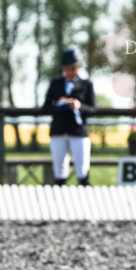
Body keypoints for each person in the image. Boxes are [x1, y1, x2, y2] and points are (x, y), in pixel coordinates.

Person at [42, 46, 96, 185]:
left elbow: (93, 108)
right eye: (66, 68)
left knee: (82, 168)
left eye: (72, 68)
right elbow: (46, 107)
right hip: (59, 129)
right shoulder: (56, 83)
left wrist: (79, 106)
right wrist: (59, 104)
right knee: (59, 169)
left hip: (78, 131)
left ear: (78, 68)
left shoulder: (86, 84)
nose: (69, 72)